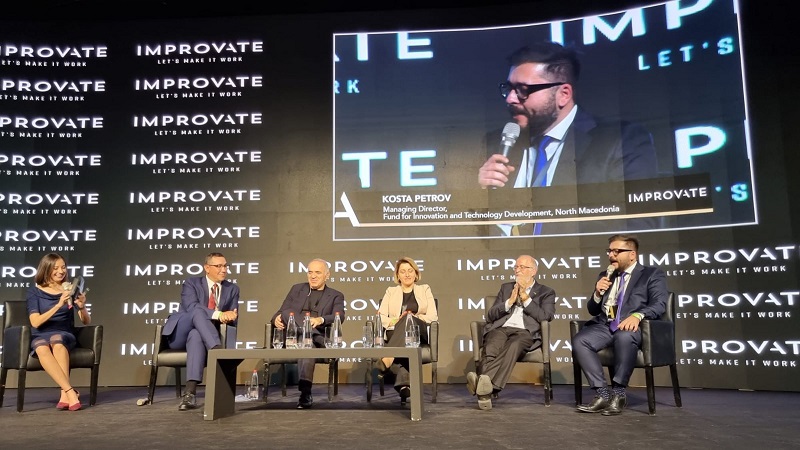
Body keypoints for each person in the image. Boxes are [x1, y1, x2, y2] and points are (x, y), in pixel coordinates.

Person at [478, 41, 659, 235]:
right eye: (509, 88)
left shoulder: (621, 140)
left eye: (523, 90)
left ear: (563, 94)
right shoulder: (496, 143)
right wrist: (479, 194)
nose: (510, 98)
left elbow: (640, 227)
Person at [572, 234, 668, 415]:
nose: (611, 255)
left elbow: (659, 304)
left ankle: (619, 393)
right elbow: (592, 309)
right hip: (606, 325)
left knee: (623, 336)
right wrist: (597, 293)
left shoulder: (651, 274)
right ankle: (602, 394)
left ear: (632, 254)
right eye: (609, 251)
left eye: (617, 251)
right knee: (580, 341)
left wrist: (638, 315)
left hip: (634, 326)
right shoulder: (605, 275)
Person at [466, 254, 555, 410]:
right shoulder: (506, 288)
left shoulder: (546, 292)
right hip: (502, 328)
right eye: (516, 267)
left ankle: (482, 383)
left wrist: (526, 299)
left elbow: (545, 316)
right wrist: (509, 302)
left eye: (522, 267)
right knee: (491, 346)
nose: (517, 270)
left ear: (533, 271)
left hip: (525, 332)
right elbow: (490, 315)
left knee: (514, 345)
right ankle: (486, 390)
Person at [162, 252, 239, 411]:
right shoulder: (191, 283)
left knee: (196, 335)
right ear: (207, 268)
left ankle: (190, 393)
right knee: (197, 311)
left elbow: (232, 316)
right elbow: (191, 307)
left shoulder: (232, 289)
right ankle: (217, 350)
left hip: (202, 337)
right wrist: (219, 314)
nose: (224, 270)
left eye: (225, 266)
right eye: (219, 266)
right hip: (180, 334)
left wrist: (230, 317)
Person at [271, 258, 345, 409]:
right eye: (310, 272)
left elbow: (340, 316)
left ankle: (305, 393)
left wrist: (320, 319)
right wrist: (275, 319)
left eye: (318, 272)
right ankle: (317, 337)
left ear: (327, 275)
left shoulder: (335, 295)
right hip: (292, 337)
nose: (313, 276)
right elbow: (281, 311)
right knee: (288, 312)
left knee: (307, 346)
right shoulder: (297, 289)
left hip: (308, 342)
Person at [26, 253, 91, 411]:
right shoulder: (35, 292)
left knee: (57, 341)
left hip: (64, 333)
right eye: (55, 268)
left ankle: (65, 393)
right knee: (41, 347)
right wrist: (58, 305)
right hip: (40, 333)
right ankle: (69, 391)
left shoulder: (70, 289)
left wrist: (82, 307)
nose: (61, 271)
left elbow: (86, 321)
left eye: (63, 267)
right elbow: (35, 322)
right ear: (46, 269)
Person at [376, 257, 438, 402]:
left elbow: (433, 316)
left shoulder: (424, 289)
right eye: (403, 271)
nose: (407, 274)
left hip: (418, 331)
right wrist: (397, 320)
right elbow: (381, 317)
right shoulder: (391, 291)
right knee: (405, 326)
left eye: (410, 271)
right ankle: (404, 386)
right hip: (395, 331)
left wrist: (413, 317)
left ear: (416, 273)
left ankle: (388, 357)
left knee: (408, 318)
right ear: (398, 275)